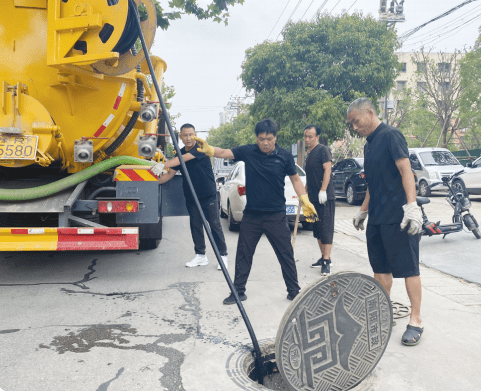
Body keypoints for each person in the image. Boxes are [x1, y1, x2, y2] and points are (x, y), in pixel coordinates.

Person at [192, 119, 318, 304]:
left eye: (269, 138)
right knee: (244, 254)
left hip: (275, 215)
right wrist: (210, 149)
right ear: (256, 138)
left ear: (275, 137)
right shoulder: (248, 151)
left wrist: (304, 199)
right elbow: (225, 152)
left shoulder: (284, 156)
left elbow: (295, 179)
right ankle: (238, 291)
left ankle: (294, 291)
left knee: (286, 254)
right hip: (251, 215)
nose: (265, 143)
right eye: (261, 139)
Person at [347, 98, 424, 346]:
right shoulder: (368, 145)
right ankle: (384, 312)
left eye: (356, 122)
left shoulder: (391, 135)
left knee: (409, 268)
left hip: (398, 217)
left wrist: (411, 207)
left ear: (369, 113)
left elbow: (406, 172)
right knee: (380, 270)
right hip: (378, 219)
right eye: (351, 124)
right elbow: (372, 183)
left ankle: (416, 320)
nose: (354, 128)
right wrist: (363, 211)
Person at [152, 123, 228, 270]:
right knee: (195, 226)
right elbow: (169, 175)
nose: (188, 138)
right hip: (192, 197)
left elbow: (183, 159)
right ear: (180, 137)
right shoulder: (178, 153)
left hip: (208, 195)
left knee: (214, 226)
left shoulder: (201, 149)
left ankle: (222, 256)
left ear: (195, 134)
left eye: (191, 134)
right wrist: (152, 183)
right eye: (185, 135)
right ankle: (200, 256)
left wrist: (164, 164)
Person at [303, 125, 335, 276]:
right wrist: (304, 192)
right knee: (317, 230)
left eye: (310, 136)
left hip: (324, 198)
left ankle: (327, 261)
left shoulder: (323, 150)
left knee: (326, 229)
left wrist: (323, 190)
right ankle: (323, 257)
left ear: (317, 137)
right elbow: (310, 177)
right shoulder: (309, 154)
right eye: (306, 136)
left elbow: (328, 170)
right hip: (313, 198)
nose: (307, 139)